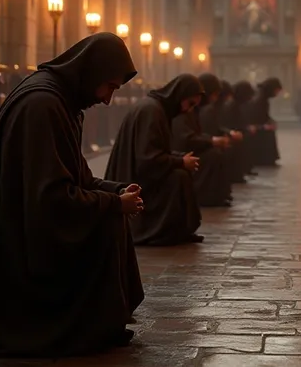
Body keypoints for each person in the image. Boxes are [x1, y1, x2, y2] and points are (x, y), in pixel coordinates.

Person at [0, 33, 145, 359]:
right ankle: (86, 320)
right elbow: (51, 200)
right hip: (19, 246)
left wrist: (114, 191)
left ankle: (104, 314)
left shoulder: (61, 100)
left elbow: (75, 176)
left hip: (27, 223)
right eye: (109, 86)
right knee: (106, 222)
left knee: (109, 212)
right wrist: (112, 205)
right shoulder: (44, 104)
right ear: (92, 72)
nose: (108, 99)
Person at [104, 74, 203, 246]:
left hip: (142, 174)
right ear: (180, 95)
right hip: (136, 182)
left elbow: (155, 150)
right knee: (179, 177)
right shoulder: (152, 111)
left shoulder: (156, 109)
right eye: (190, 104)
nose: (189, 110)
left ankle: (179, 231)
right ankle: (164, 231)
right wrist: (180, 162)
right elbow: (147, 160)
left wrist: (180, 158)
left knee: (181, 174)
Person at [172, 77, 232, 207]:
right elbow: (183, 138)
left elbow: (195, 134)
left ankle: (218, 196)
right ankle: (205, 196)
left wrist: (212, 140)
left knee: (216, 154)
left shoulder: (194, 110)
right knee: (213, 156)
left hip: (190, 147)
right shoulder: (180, 112)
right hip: (179, 152)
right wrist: (212, 141)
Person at [198, 73, 247, 186]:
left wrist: (228, 133)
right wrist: (213, 140)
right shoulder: (206, 109)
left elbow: (215, 127)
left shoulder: (212, 108)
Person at [220, 80, 258, 174]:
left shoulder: (236, 104)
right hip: (231, 131)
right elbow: (231, 122)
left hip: (234, 130)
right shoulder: (232, 105)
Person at [246, 77, 283, 166]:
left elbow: (263, 115)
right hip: (252, 125)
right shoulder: (259, 98)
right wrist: (264, 126)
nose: (276, 94)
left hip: (257, 123)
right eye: (276, 91)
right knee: (268, 132)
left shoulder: (262, 96)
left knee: (270, 130)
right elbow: (255, 116)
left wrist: (270, 121)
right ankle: (265, 160)